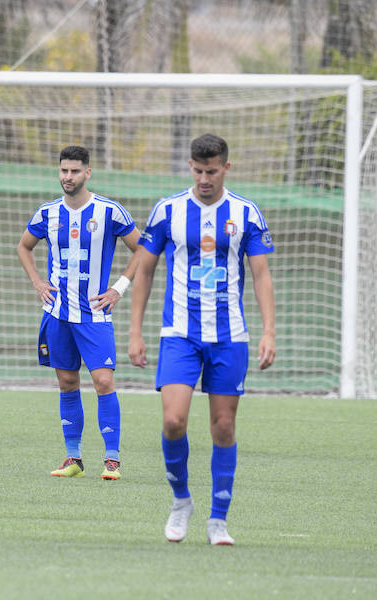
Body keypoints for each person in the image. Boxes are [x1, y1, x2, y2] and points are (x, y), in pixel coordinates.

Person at [128, 133, 276, 544]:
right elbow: (145, 270)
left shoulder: (246, 213)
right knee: (173, 420)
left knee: (223, 427)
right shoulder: (167, 210)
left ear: (226, 167)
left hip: (230, 337)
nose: (204, 178)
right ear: (189, 167)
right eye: (197, 170)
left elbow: (261, 274)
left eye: (211, 171)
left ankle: (218, 520)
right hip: (179, 334)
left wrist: (269, 331)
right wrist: (136, 331)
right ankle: (181, 501)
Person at [17, 145, 141, 480]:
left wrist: (119, 288)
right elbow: (24, 246)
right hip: (58, 314)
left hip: (95, 315)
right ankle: (73, 458)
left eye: (74, 171)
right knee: (67, 382)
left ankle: (112, 459)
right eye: (63, 171)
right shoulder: (47, 213)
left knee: (103, 380)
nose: (68, 177)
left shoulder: (109, 211)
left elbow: (143, 249)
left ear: (88, 173)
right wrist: (37, 282)